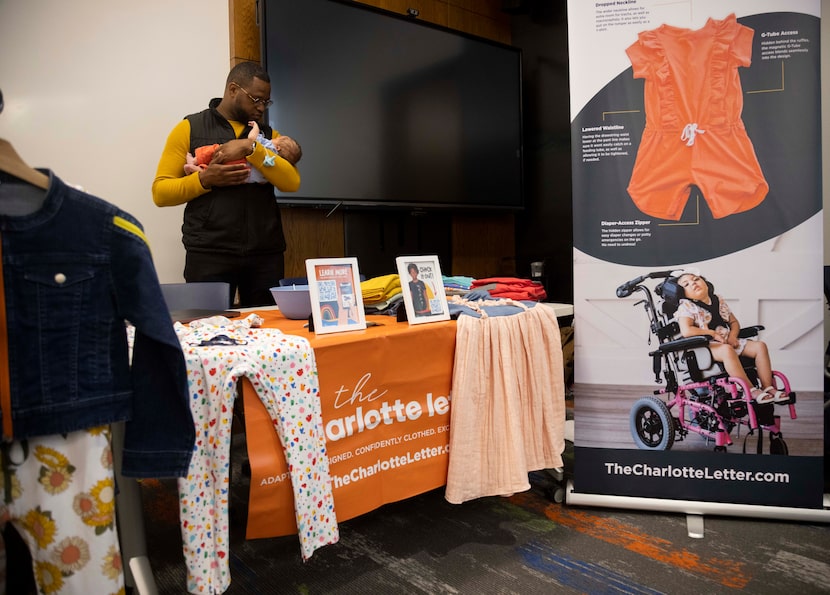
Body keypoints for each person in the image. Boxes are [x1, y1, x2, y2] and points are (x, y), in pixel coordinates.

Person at [152, 61, 300, 307]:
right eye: (256, 99)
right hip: (209, 253)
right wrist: (204, 179)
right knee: (206, 333)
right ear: (233, 90)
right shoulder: (189, 128)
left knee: (269, 331)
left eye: (266, 102)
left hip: (264, 254)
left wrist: (252, 149)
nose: (262, 108)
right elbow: (160, 192)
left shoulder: (268, 136)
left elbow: (292, 182)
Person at [674, 272, 788, 404]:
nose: (693, 283)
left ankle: (767, 387)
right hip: (704, 346)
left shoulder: (718, 300)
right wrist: (713, 334)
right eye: (686, 284)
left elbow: (734, 322)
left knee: (760, 346)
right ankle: (750, 390)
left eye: (696, 279)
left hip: (726, 341)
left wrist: (733, 336)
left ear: (706, 283)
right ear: (683, 293)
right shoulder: (687, 307)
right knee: (727, 350)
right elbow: (687, 330)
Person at [184, 120, 302, 181]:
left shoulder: (269, 149)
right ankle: (196, 170)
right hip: (243, 174)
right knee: (218, 172)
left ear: (278, 148)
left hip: (239, 159)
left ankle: (195, 160)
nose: (274, 138)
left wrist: (256, 127)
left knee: (216, 149)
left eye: (277, 139)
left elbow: (252, 140)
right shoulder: (274, 170)